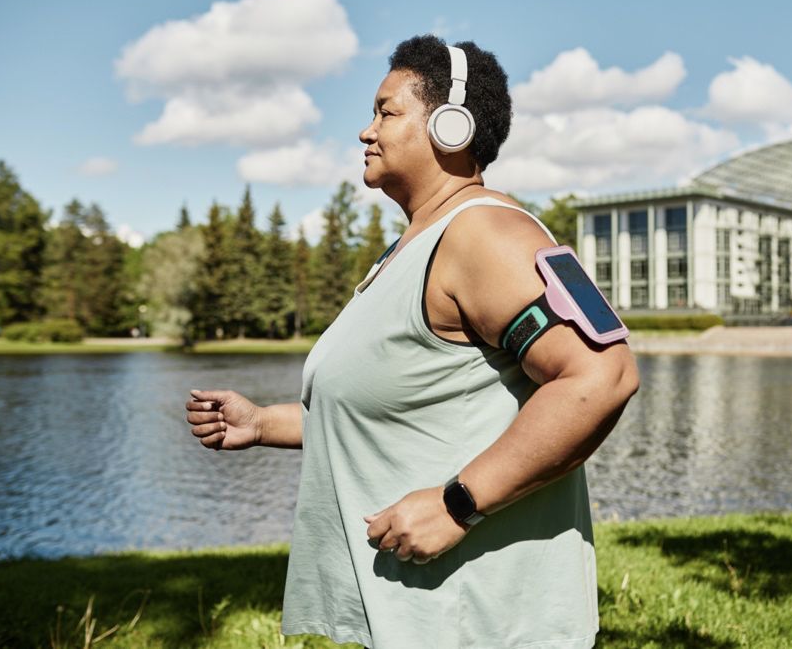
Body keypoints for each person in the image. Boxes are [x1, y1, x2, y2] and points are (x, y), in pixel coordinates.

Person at [185, 34, 639, 649]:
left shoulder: (489, 234)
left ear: (451, 126)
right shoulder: (407, 253)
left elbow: (601, 375)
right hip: (422, 618)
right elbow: (394, 407)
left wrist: (458, 504)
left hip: (481, 621)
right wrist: (263, 423)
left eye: (386, 111)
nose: (366, 131)